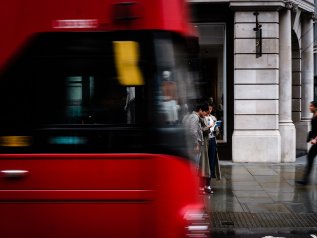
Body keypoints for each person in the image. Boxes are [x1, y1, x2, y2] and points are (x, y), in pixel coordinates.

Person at [183, 102, 211, 194]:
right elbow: (193, 131)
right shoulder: (195, 117)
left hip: (192, 144)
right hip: (195, 145)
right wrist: (196, 144)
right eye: (205, 112)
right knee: (194, 167)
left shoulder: (192, 116)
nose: (206, 114)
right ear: (200, 110)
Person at [296, 101, 317, 185]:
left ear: (315, 107)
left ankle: (305, 180)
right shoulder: (314, 115)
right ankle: (305, 180)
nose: (309, 107)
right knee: (310, 158)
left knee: (310, 157)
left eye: (311, 106)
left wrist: (315, 139)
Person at [205, 104, 221, 180]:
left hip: (212, 139)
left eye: (210, 109)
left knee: (212, 158)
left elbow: (217, 129)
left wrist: (216, 130)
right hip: (206, 140)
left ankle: (210, 176)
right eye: (208, 109)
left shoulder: (213, 118)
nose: (209, 110)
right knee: (205, 160)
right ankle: (206, 176)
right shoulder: (203, 118)